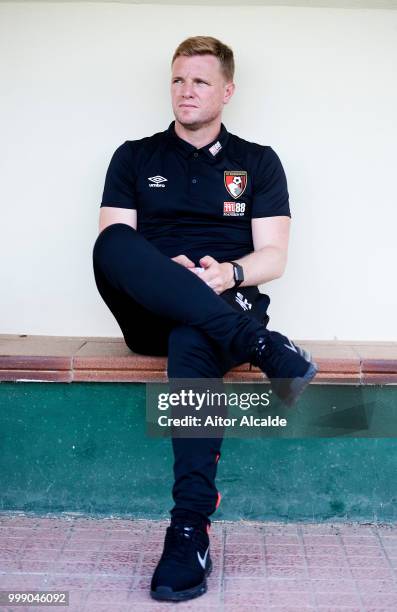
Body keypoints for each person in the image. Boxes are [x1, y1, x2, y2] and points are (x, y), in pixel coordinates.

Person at [92, 35, 317, 602]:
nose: (185, 91)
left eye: (199, 81)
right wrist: (173, 273)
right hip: (150, 308)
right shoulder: (134, 156)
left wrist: (227, 275)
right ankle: (265, 349)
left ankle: (188, 531)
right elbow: (117, 247)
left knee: (193, 335)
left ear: (227, 90)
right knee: (115, 241)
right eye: (177, 80)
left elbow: (273, 256)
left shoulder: (257, 162)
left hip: (221, 303)